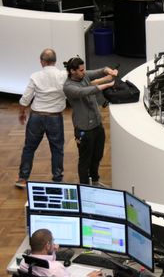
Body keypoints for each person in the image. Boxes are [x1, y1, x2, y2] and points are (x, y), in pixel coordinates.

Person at [15, 49, 68, 188]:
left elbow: (25, 98)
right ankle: (57, 179)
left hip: (36, 117)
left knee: (29, 148)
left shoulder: (35, 76)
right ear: (55, 61)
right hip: (55, 118)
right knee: (57, 149)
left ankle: (23, 178)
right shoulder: (64, 75)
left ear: (41, 61)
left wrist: (22, 113)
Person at [62, 57, 117, 185]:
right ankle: (85, 186)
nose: (84, 71)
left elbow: (101, 70)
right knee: (85, 160)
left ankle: (95, 180)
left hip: (97, 124)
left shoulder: (84, 76)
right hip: (84, 129)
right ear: (72, 71)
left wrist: (110, 71)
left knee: (97, 156)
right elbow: (85, 91)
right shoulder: (68, 87)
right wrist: (107, 84)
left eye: (84, 69)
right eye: (81, 70)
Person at [18, 228, 102, 277]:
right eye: (53, 241)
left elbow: (45, 262)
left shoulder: (23, 263)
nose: (54, 244)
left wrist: (52, 250)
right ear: (47, 246)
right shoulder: (56, 269)